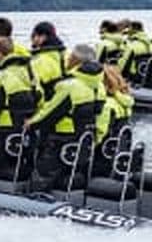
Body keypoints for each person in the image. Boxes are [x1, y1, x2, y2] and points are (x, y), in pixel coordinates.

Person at [25, 45, 105, 191]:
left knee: (42, 177)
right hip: (83, 142)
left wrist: (30, 123)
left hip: (61, 141)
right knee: (70, 174)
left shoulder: (70, 86)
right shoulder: (99, 86)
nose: (67, 60)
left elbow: (51, 113)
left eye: (70, 57)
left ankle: (33, 197)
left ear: (76, 61)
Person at [0, 37, 42, 186]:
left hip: (1, 131)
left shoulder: (1, 77)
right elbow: (40, 99)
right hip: (24, 130)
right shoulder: (31, 75)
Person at [30, 21, 66, 100]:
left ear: (43, 37)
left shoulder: (38, 61)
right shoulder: (66, 55)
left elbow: (35, 87)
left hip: (47, 104)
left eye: (33, 36)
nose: (31, 39)